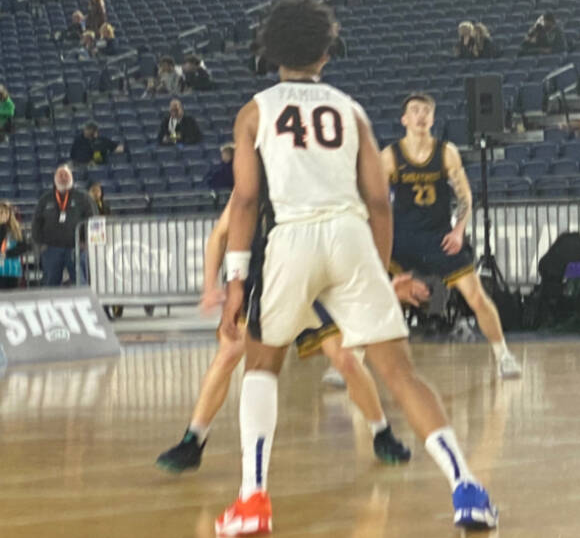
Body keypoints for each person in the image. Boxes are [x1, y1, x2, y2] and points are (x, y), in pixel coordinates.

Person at [213, 0, 498, 537]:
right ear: (327, 51)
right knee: (400, 372)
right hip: (350, 237)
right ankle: (467, 488)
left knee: (261, 367)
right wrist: (381, 269)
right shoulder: (352, 111)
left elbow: (246, 203)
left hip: (291, 239)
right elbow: (379, 203)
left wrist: (234, 282)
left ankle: (252, 500)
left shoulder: (254, 112)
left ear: (271, 50)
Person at [156, 196, 421, 474]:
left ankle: (381, 432)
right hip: (263, 278)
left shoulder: (315, 177)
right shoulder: (255, 182)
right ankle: (193, 439)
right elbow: (220, 235)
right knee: (229, 353)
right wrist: (210, 286)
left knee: (345, 359)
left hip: (311, 278)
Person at [382, 94, 521, 378]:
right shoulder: (390, 156)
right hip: (403, 239)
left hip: (439, 238)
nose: (421, 116)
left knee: (476, 297)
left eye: (426, 111)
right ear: (404, 119)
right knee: (377, 299)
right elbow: (376, 203)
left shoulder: (446, 152)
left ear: (433, 119)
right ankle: (348, 363)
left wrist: (459, 230)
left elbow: (465, 196)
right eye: (415, 111)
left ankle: (503, 355)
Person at [32, 164, 96, 286]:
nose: (63, 178)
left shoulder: (83, 198)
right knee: (50, 285)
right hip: (51, 249)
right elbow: (36, 223)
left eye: (66, 175)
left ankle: (83, 305)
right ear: (55, 178)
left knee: (80, 283)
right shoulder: (45, 199)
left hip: (77, 248)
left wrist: (87, 242)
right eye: (60, 175)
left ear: (72, 177)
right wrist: (41, 245)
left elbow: (93, 221)